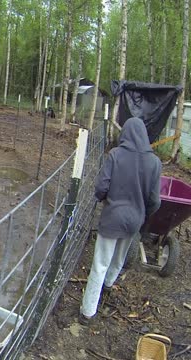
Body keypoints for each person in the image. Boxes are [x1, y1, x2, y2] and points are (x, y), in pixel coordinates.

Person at [79, 117, 162, 325]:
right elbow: (155, 201)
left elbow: (101, 188)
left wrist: (102, 198)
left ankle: (87, 312)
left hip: (113, 217)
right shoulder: (154, 163)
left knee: (100, 262)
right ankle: (108, 285)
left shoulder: (115, 155)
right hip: (135, 220)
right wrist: (143, 214)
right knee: (119, 258)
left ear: (125, 133)